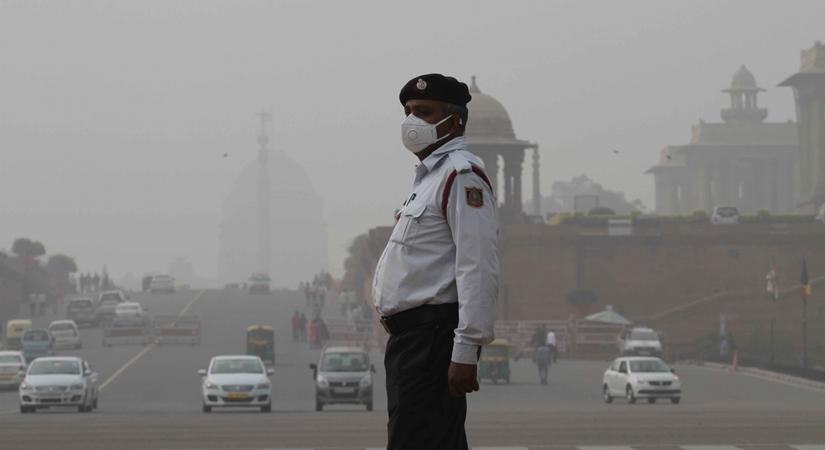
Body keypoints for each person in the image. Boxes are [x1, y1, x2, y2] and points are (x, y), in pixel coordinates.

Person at [373, 74, 499, 450]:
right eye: (409, 111)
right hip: (412, 340)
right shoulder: (429, 179)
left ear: (454, 121)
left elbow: (477, 265)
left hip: (432, 340)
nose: (413, 121)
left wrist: (466, 350)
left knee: (417, 440)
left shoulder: (461, 176)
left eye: (425, 112)